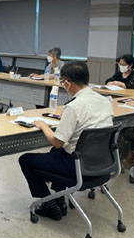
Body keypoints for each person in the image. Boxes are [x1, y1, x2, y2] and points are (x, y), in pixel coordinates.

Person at [19, 61, 114, 221]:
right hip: (102, 164)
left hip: (77, 166)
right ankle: (59, 198)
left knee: (26, 160)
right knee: (56, 152)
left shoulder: (74, 106)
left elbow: (57, 142)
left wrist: (43, 126)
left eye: (63, 82)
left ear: (68, 83)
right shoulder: (104, 101)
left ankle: (49, 205)